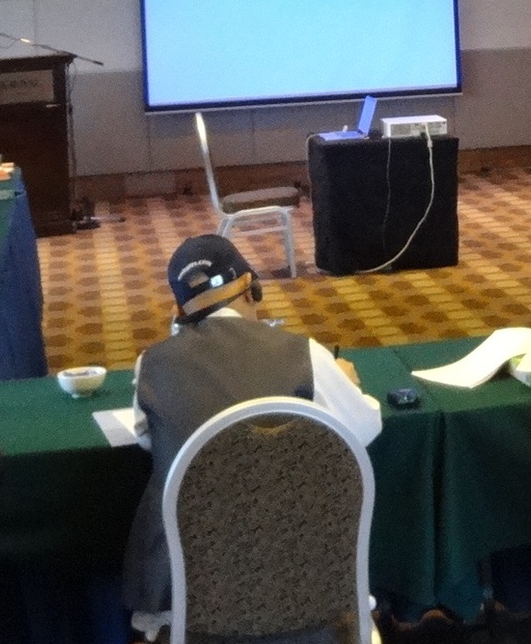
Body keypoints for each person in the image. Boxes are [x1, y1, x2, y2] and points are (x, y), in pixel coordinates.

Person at [123, 235, 382, 642]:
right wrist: (346, 382)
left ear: (179, 311)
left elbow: (152, 444)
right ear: (252, 286)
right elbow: (364, 429)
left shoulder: (151, 364)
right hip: (305, 576)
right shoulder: (306, 354)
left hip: (194, 588)